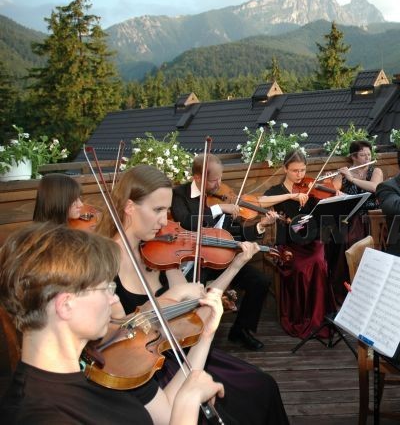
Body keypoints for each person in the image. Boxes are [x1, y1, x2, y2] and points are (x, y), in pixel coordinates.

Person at [97, 164, 289, 424]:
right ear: (130, 207)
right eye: (157, 210)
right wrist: (174, 295)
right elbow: (114, 336)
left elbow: (198, 304)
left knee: (263, 385)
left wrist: (235, 266)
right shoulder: (103, 264)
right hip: (146, 373)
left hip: (182, 351)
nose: (164, 221)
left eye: (166, 210)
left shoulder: (159, 252)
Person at [0, 222, 225, 424]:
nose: (114, 299)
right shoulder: (39, 415)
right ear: (65, 305)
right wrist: (188, 403)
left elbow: (166, 416)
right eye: (105, 288)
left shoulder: (100, 361)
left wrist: (204, 335)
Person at [170, 154, 273, 350]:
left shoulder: (221, 194)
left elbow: (235, 234)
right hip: (196, 260)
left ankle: (240, 330)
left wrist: (260, 226)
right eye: (213, 180)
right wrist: (218, 208)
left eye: (220, 178)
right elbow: (186, 222)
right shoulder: (179, 194)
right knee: (192, 294)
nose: (219, 184)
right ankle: (191, 340)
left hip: (221, 257)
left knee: (260, 281)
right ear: (197, 178)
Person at [259, 150, 336, 339]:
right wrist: (289, 196)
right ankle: (301, 316)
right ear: (285, 169)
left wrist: (334, 195)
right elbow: (261, 201)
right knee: (300, 267)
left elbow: (325, 208)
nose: (300, 175)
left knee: (319, 261)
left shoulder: (309, 188)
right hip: (289, 244)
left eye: (302, 170)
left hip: (311, 240)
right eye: (295, 170)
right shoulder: (277, 190)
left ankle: (319, 317)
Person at [330, 140, 383, 301]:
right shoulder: (345, 172)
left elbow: (375, 187)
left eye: (369, 154)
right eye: (362, 155)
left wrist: (352, 179)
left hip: (371, 216)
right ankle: (345, 287)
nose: (367, 158)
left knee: (352, 238)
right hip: (351, 216)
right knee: (340, 239)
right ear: (353, 157)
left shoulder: (375, 171)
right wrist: (339, 175)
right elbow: (333, 189)